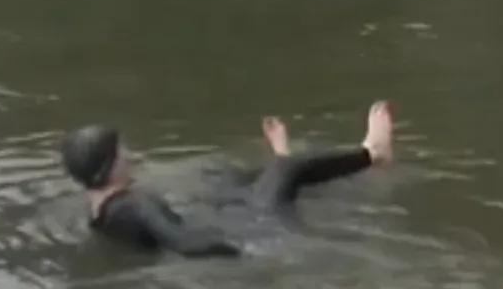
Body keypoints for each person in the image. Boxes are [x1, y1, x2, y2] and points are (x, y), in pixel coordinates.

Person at [59, 101, 394, 258]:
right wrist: (246, 248)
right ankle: (372, 153)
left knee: (226, 181)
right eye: (123, 153)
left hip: (238, 221)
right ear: (109, 167)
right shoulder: (139, 204)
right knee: (289, 169)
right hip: (261, 232)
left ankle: (277, 166)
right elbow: (184, 241)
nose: (132, 156)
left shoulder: (99, 212)